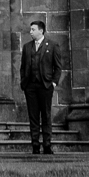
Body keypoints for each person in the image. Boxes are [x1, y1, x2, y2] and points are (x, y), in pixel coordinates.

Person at [19, 20, 62, 155]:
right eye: (30, 29)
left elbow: (58, 67)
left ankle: (47, 145)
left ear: (41, 31)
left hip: (45, 85)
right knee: (33, 116)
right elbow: (23, 67)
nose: (30, 32)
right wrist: (24, 83)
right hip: (30, 86)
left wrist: (53, 82)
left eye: (33, 29)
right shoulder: (27, 47)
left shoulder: (53, 45)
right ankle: (35, 145)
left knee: (46, 115)